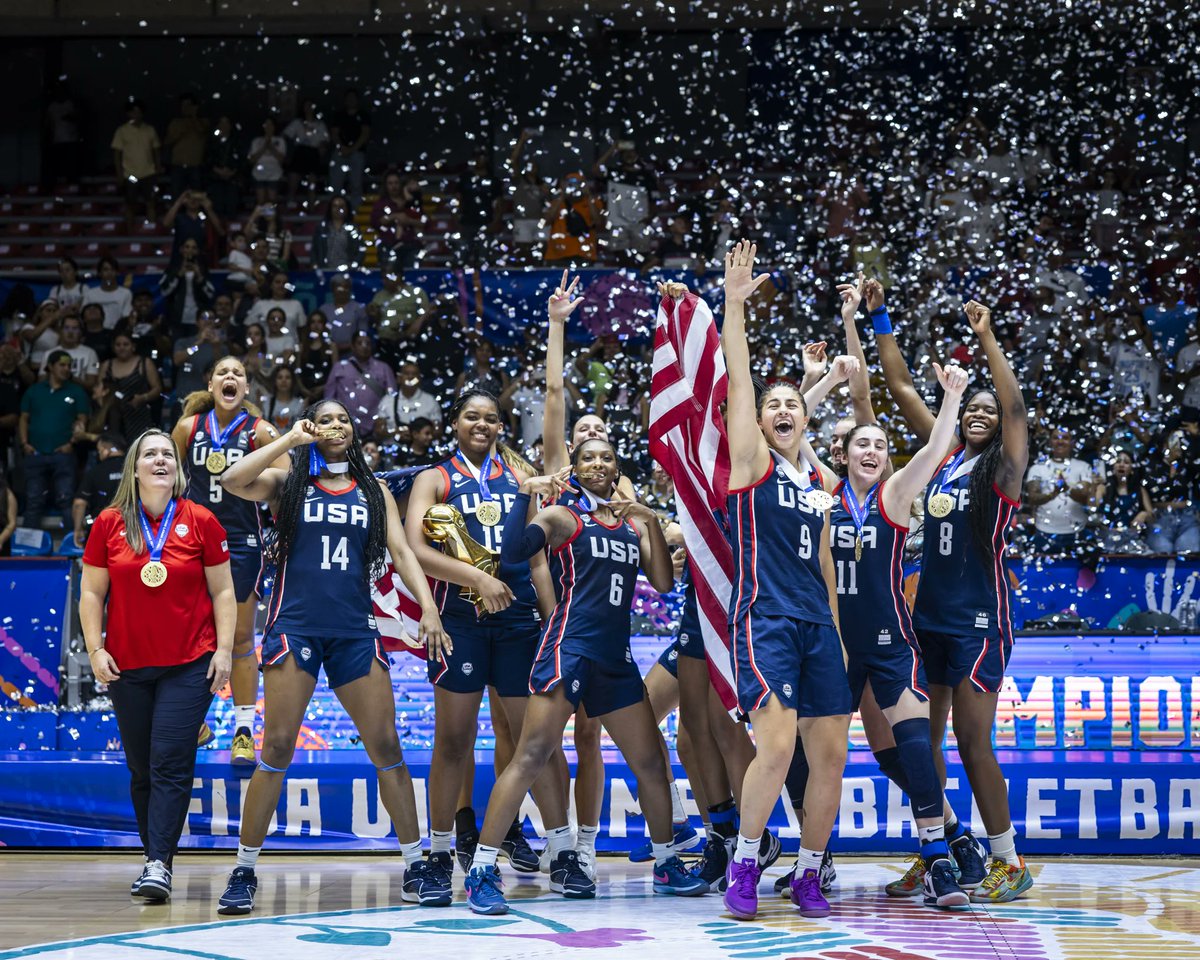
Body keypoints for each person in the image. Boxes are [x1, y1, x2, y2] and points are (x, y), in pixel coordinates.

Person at [215, 400, 447, 914]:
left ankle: (415, 864)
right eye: (327, 420)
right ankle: (244, 869)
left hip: (353, 629)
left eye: (345, 418)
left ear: (354, 431)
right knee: (275, 746)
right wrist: (289, 443)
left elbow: (403, 551)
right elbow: (233, 480)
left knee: (386, 743)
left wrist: (428, 607)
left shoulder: (373, 490)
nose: (337, 425)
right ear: (313, 428)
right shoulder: (286, 482)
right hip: (295, 626)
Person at [462, 439, 708, 913]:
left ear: (617, 468)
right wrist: (524, 496)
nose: (598, 463)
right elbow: (513, 552)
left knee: (652, 764)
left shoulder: (632, 525)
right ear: (574, 466)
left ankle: (664, 863)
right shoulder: (561, 517)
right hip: (567, 650)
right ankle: (481, 869)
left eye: (607, 457)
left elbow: (662, 582)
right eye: (588, 457)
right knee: (531, 754)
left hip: (615, 659)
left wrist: (651, 519)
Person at [876, 284, 1034, 903]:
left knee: (973, 742)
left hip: (979, 624)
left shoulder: (1003, 471)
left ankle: (1008, 859)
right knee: (926, 745)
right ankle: (936, 847)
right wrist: (880, 314)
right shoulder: (943, 461)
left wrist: (987, 338)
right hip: (929, 622)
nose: (978, 413)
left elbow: (1018, 411)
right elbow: (903, 390)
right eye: (971, 406)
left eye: (986, 410)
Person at [821, 285, 975, 908]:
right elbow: (787, 437)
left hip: (888, 641)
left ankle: (939, 856)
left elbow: (937, 447)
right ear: (842, 453)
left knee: (911, 744)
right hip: (830, 647)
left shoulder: (893, 498)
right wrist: (835, 353)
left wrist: (954, 398)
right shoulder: (819, 493)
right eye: (864, 442)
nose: (873, 449)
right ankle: (814, 859)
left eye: (882, 445)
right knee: (828, 756)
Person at [715, 242, 849, 921]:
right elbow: (740, 381)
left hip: (817, 626)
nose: (781, 408)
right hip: (763, 620)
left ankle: (806, 874)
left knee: (831, 759)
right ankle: (744, 859)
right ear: (762, 422)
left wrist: (837, 634)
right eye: (774, 404)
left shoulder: (821, 481)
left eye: (793, 402)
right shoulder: (750, 462)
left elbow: (825, 561)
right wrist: (734, 306)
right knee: (778, 745)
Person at [404, 390, 564, 900]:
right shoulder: (434, 477)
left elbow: (536, 558)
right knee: (454, 740)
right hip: (462, 621)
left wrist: (551, 620)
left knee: (531, 744)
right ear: (454, 421)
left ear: (501, 426)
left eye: (490, 418)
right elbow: (415, 549)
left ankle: (555, 853)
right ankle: (438, 854)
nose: (481, 424)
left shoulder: (521, 476)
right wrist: (478, 577)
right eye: (471, 415)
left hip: (518, 623)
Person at [80, 428, 235, 901]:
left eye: (168, 453)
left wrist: (225, 650)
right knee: (142, 769)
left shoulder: (202, 520)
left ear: (178, 467)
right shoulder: (107, 524)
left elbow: (224, 591)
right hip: (126, 666)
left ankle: (157, 864)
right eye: (149, 454)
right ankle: (155, 859)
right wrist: (94, 649)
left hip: (189, 663)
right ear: (134, 467)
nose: (160, 460)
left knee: (170, 762)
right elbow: (91, 593)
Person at [171, 357, 283, 765]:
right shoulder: (188, 428)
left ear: (248, 388)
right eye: (223, 372)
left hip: (241, 544)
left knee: (238, 641)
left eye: (238, 374)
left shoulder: (261, 431)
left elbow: (289, 485)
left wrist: (282, 532)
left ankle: (242, 732)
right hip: (191, 544)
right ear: (211, 382)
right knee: (188, 635)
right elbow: (166, 479)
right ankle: (195, 722)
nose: (230, 378)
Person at [19, 349, 90, 527]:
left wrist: (71, 443)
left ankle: (72, 544)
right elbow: (23, 418)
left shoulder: (76, 391)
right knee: (33, 500)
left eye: (69, 366)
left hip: (63, 453)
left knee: (65, 498)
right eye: (62, 365)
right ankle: (28, 551)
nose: (66, 369)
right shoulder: (34, 390)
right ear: (49, 366)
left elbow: (82, 420)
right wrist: (24, 443)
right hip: (35, 452)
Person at [1023, 428, 1098, 555]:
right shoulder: (1037, 468)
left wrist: (1066, 488)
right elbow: (1033, 498)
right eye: (1056, 437)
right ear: (1050, 442)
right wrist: (1054, 493)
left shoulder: (1083, 466)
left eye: (1065, 438)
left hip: (1077, 532)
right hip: (1044, 532)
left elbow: (1085, 498)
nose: (1060, 441)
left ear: (1073, 443)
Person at [324, 333, 396, 436]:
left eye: (368, 343)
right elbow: (328, 398)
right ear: (352, 346)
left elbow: (392, 398)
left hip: (376, 427)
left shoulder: (384, 368)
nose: (364, 346)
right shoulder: (339, 367)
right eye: (360, 343)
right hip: (345, 427)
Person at [99, 331, 162, 444]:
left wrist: (143, 397)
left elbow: (157, 388)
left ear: (133, 347)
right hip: (112, 417)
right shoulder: (106, 365)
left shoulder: (144, 363)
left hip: (138, 415)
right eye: (118, 345)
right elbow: (98, 389)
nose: (121, 348)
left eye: (125, 344)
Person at [111, 99, 161, 231]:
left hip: (149, 173)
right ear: (128, 114)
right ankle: (130, 233)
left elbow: (156, 150)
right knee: (130, 204)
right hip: (130, 175)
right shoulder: (122, 131)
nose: (136, 114)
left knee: (151, 203)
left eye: (138, 112)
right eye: (133, 112)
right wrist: (119, 174)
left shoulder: (150, 130)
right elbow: (117, 154)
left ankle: (151, 232)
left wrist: (158, 167)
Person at [72, 432, 128, 546]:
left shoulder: (94, 472)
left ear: (105, 449)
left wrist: (78, 529)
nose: (99, 454)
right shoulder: (136, 469)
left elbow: (79, 504)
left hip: (101, 531)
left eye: (99, 450)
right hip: (132, 531)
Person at [1097, 450, 1153, 554]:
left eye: (1126, 462)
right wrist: (1092, 486)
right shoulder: (1103, 488)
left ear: (1132, 469)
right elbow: (1093, 510)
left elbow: (1152, 517)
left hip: (1132, 539)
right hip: (1108, 538)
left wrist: (1144, 514)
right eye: (1118, 462)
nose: (1121, 465)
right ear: (1113, 467)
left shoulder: (1139, 490)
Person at [373, 359, 441, 442]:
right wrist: (395, 433)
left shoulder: (430, 401)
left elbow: (438, 431)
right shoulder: (387, 400)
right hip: (393, 450)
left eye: (414, 374)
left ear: (419, 379)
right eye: (406, 373)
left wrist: (419, 436)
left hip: (423, 451)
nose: (410, 377)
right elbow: (378, 431)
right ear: (399, 378)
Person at [159, 238, 215, 336]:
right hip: (177, 319)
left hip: (198, 321)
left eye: (193, 248)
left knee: (195, 349)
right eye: (187, 247)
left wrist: (199, 276)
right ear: (181, 249)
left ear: (197, 251)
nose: (190, 250)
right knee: (179, 348)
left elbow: (210, 294)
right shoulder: (172, 269)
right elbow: (164, 292)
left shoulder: (203, 270)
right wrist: (179, 275)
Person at [543, 172, 602, 264]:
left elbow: (598, 222)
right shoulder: (557, 202)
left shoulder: (592, 202)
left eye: (578, 183)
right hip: (557, 256)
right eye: (570, 184)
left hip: (584, 254)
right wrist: (562, 195)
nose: (574, 187)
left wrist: (588, 195)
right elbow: (546, 222)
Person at [370, 170, 424, 269]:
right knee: (389, 277)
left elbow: (424, 222)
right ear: (385, 186)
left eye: (396, 183)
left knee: (412, 277)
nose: (393, 186)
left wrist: (408, 221)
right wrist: (395, 216)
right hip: (388, 245)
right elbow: (376, 222)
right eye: (390, 183)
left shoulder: (412, 202)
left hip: (411, 245)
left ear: (401, 184)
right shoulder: (380, 204)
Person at [328, 90, 371, 209]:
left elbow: (365, 134)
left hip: (357, 153)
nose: (351, 100)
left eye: (353, 97)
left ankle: (355, 210)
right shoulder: (339, 115)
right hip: (340, 152)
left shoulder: (363, 115)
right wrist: (342, 147)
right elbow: (334, 134)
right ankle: (335, 209)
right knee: (336, 183)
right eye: (349, 97)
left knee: (356, 184)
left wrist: (352, 149)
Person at [283, 99, 329, 203]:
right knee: (293, 178)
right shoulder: (297, 123)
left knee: (312, 182)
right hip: (300, 152)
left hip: (313, 153)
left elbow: (325, 141)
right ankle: (290, 203)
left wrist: (322, 149)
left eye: (310, 106)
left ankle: (311, 206)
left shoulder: (320, 124)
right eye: (306, 106)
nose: (308, 108)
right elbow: (285, 135)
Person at [164, 94, 208, 199]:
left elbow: (203, 133)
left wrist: (193, 118)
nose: (185, 108)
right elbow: (167, 142)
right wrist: (179, 133)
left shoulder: (203, 122)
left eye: (188, 105)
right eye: (183, 105)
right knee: (176, 196)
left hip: (196, 167)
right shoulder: (175, 122)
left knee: (197, 196)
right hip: (178, 167)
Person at [317, 273, 370, 350]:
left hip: (352, 353)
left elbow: (363, 334)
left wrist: (349, 346)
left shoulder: (359, 308)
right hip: (327, 352)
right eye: (338, 287)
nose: (342, 290)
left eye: (346, 287)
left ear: (350, 289)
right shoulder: (324, 309)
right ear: (332, 289)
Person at [312, 198, 364, 274]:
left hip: (348, 272)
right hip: (325, 271)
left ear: (347, 209)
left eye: (341, 206)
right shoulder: (322, 228)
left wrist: (353, 266)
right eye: (335, 206)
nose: (338, 209)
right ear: (330, 208)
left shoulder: (354, 228)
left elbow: (361, 249)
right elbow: (315, 249)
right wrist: (315, 265)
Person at [82, 257, 133, 331]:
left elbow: (126, 317)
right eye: (105, 270)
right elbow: (84, 316)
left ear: (117, 273)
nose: (109, 273)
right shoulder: (90, 294)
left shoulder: (126, 293)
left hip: (118, 333)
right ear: (99, 273)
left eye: (112, 269)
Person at [248, 117, 286, 206]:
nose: (268, 127)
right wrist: (264, 147)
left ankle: (272, 219)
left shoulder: (280, 141)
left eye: (270, 125)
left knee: (272, 201)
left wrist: (271, 147)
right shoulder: (256, 141)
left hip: (274, 173)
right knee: (261, 201)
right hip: (259, 173)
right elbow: (252, 159)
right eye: (266, 125)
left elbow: (282, 159)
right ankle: (261, 218)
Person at [260, 365, 305, 431]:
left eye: (287, 377)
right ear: (275, 381)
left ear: (292, 381)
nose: (284, 381)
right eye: (280, 377)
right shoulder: (267, 403)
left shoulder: (299, 404)